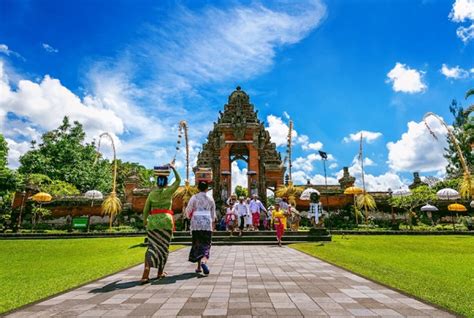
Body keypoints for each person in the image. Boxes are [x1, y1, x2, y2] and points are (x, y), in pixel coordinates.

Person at [140, 163, 180, 284]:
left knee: (151, 247)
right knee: (163, 248)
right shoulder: (169, 191)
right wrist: (173, 168)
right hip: (166, 222)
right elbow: (178, 180)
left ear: (157, 182)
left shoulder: (152, 194)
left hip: (153, 223)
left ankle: (146, 272)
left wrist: (144, 222)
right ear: (166, 182)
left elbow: (146, 210)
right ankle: (159, 272)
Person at [186, 181, 216, 276]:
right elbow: (213, 214)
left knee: (197, 243)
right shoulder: (210, 199)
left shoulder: (194, 197)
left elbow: (188, 210)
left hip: (196, 223)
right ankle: (203, 262)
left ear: (198, 188)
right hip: (207, 222)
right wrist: (213, 224)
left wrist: (189, 216)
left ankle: (199, 267)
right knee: (206, 244)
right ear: (207, 189)